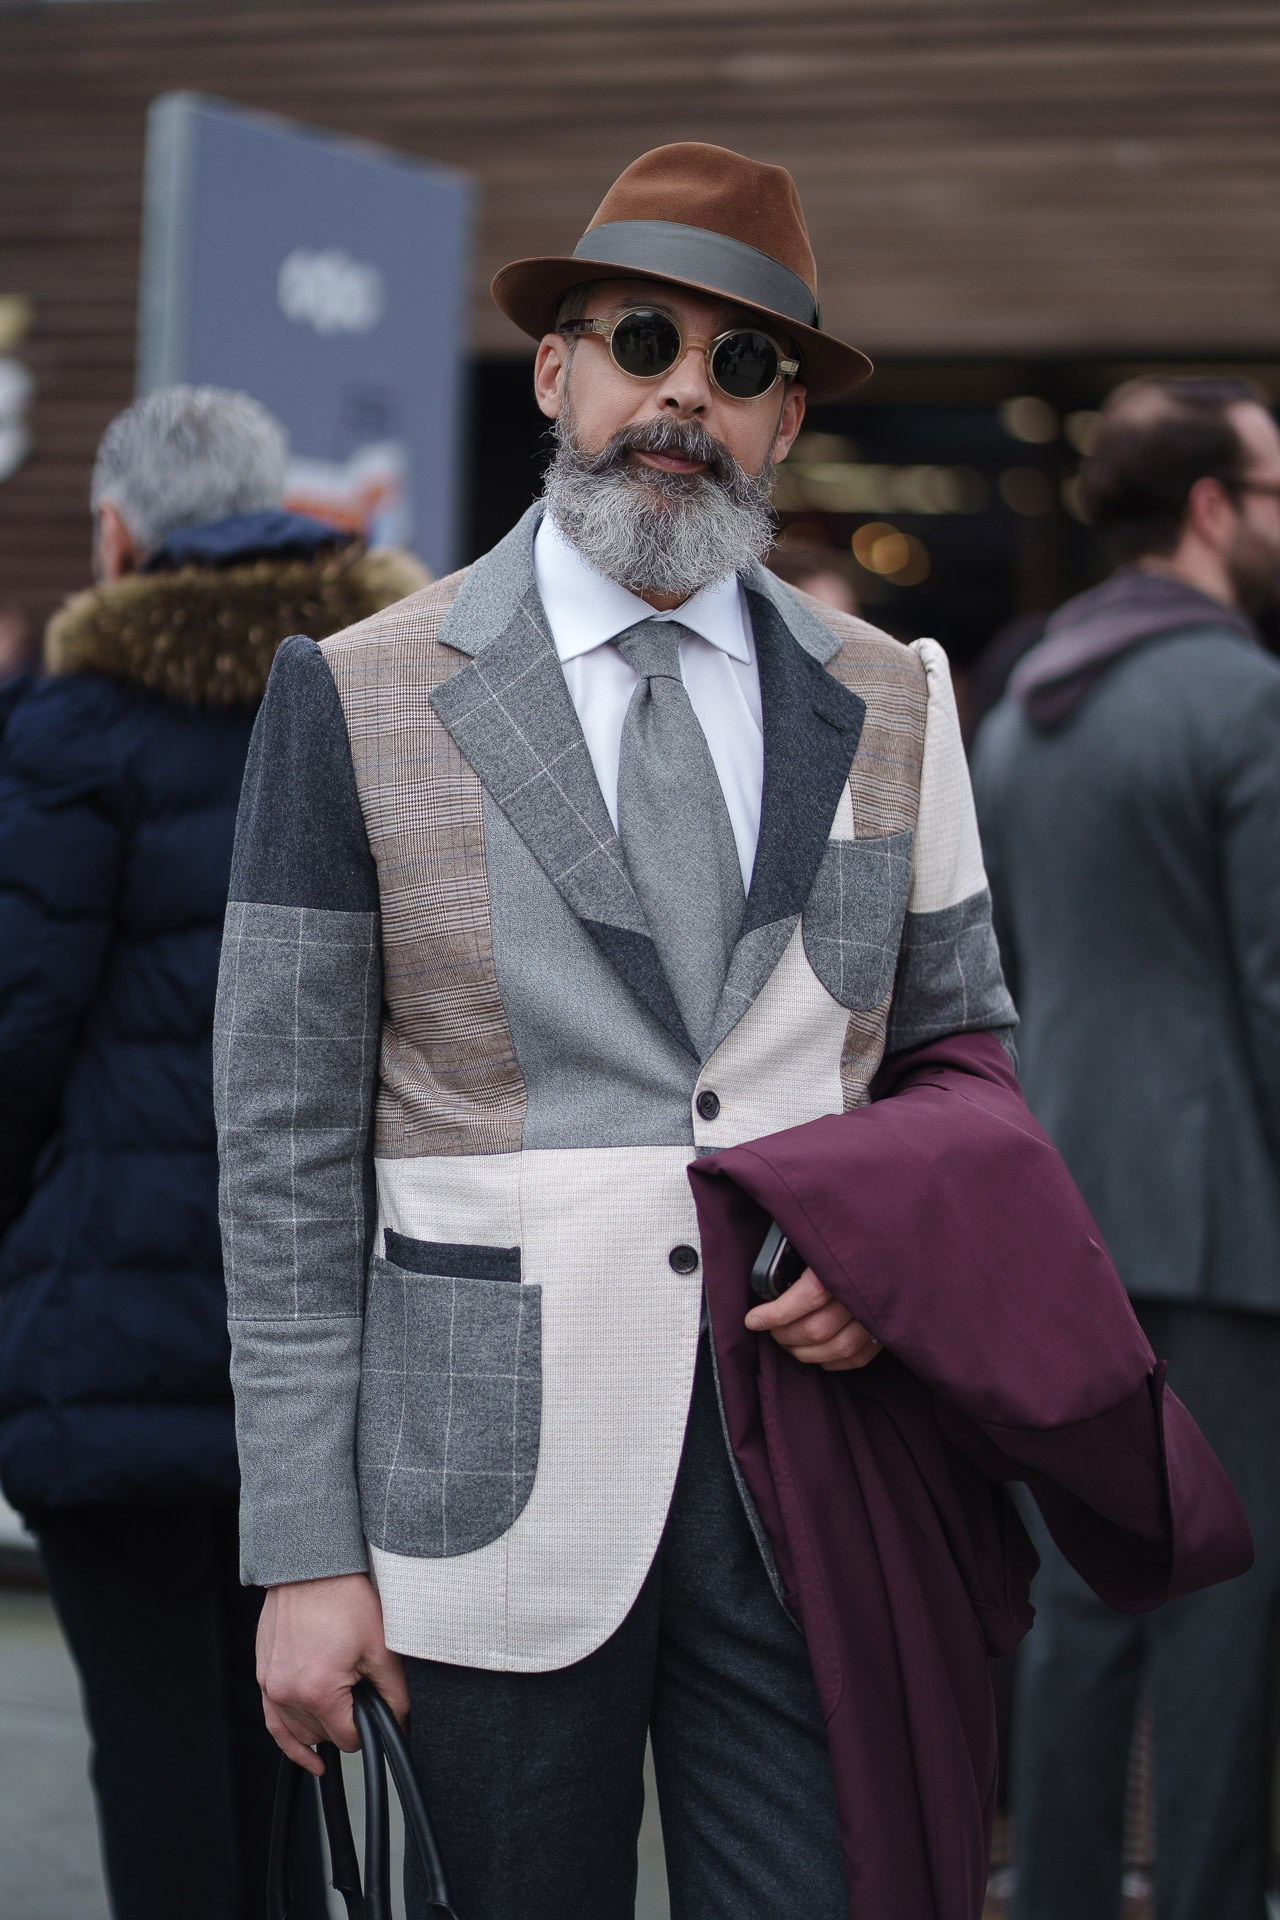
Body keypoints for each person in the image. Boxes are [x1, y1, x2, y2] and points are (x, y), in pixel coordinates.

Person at [214, 151, 1246, 1920]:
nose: (687, 391)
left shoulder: (893, 695)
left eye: (743, 362)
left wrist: (892, 1248)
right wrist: (304, 1549)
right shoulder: (356, 691)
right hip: (480, 1498)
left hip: (815, 1473)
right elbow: (282, 1148)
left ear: (785, 425)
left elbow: (963, 1052)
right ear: (558, 373)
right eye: (643, 341)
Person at [0, 384, 426, 1919]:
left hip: (113, 1327)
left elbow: (15, 1028)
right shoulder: (391, 696)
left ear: (117, 535)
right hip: (340, 1326)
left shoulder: (76, 725)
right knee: (294, 1750)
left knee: (156, 1749)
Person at [971, 376, 1280, 1920]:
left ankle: (1062, 1898)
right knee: (1224, 1606)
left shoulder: (1024, 707)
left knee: (1084, 1606)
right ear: (1214, 509)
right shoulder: (1245, 698)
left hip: (1060, 1219)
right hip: (1225, 1231)